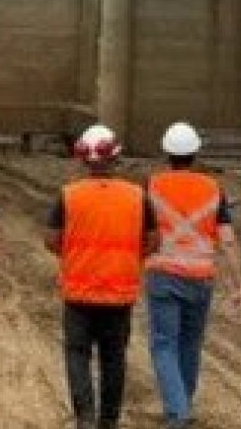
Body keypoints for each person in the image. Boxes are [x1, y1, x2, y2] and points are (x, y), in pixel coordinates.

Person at [44, 124, 157, 429]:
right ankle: (108, 421)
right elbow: (153, 240)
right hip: (119, 293)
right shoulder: (137, 196)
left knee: (77, 354)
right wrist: (129, 257)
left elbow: (51, 239)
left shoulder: (68, 195)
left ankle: (85, 417)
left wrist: (74, 255)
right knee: (113, 358)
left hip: (79, 292)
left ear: (84, 159)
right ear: (115, 158)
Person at [145, 123, 241, 429]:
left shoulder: (151, 185)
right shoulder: (213, 189)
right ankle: (183, 405)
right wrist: (238, 286)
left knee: (164, 344)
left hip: (163, 274)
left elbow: (141, 230)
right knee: (190, 343)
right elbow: (227, 240)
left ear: (166, 153)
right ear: (195, 153)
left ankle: (178, 412)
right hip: (201, 278)